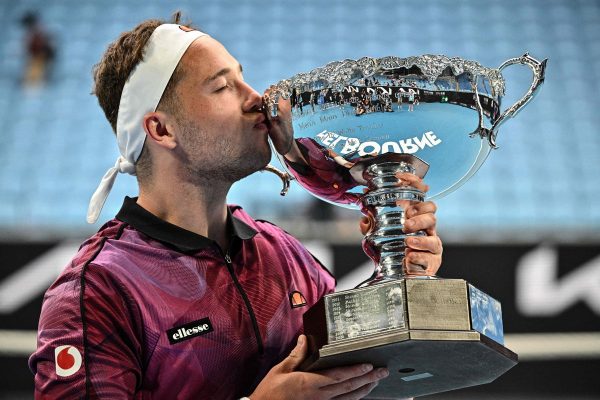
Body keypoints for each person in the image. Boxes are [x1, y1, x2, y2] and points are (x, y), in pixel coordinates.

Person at [29, 13, 442, 399]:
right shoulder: (98, 290)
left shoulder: (284, 254)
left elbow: (361, 380)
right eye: (223, 86)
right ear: (161, 128)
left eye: (243, 78)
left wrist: (402, 279)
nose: (256, 98)